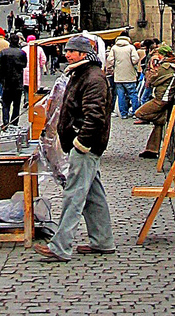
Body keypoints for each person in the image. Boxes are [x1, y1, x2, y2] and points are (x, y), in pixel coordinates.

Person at [34, 34, 115, 262]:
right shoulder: (82, 73)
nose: (66, 54)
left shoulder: (93, 78)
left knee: (74, 194)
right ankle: (103, 241)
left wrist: (81, 142)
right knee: (93, 194)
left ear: (84, 54)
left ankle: (60, 246)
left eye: (71, 51)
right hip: (84, 144)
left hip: (85, 146)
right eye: (67, 50)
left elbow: (96, 115)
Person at [133, 43, 175, 158]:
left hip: (161, 98)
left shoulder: (166, 66)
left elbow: (154, 81)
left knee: (139, 113)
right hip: (165, 97)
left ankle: (160, 120)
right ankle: (152, 150)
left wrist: (152, 73)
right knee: (158, 124)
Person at [106, 32, 140, 118]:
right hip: (130, 75)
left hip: (118, 76)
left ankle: (123, 114)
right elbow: (135, 59)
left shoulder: (114, 48)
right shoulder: (131, 47)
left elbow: (110, 60)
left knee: (121, 95)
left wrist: (112, 69)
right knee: (132, 94)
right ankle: (135, 112)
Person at [0, 32, 26, 125]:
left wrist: (2, 79)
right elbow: (24, 65)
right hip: (18, 82)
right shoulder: (22, 53)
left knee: (6, 104)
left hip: (7, 82)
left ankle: (5, 121)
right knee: (16, 105)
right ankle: (14, 122)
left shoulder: (3, 52)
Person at [22, 34, 45, 107]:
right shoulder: (39, 49)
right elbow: (43, 59)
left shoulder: (24, 49)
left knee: (26, 86)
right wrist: (41, 65)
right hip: (35, 70)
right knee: (34, 86)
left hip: (25, 70)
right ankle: (33, 100)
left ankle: (27, 99)